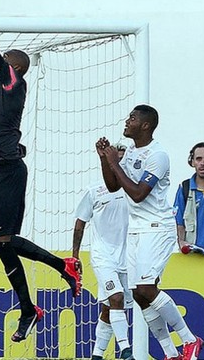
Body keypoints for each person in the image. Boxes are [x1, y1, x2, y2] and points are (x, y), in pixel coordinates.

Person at [0, 0, 82, 343]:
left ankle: (64, 268)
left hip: (11, 170)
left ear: (16, 65)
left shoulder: (14, 81)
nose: (2, 56)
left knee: (4, 237)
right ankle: (29, 308)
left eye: (8, 56)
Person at [96, 104, 204, 360]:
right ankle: (170, 352)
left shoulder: (158, 156)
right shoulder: (132, 150)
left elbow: (137, 194)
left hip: (157, 228)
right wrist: (105, 160)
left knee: (146, 288)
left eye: (132, 118)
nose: (127, 121)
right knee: (139, 295)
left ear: (145, 125)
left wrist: (115, 163)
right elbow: (114, 187)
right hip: (136, 230)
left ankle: (190, 340)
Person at [73, 144, 134, 360]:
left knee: (110, 308)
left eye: (122, 158)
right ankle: (126, 350)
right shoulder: (95, 190)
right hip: (102, 256)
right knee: (116, 298)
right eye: (115, 158)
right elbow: (80, 223)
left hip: (128, 257)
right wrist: (75, 255)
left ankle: (97, 355)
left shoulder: (134, 190)